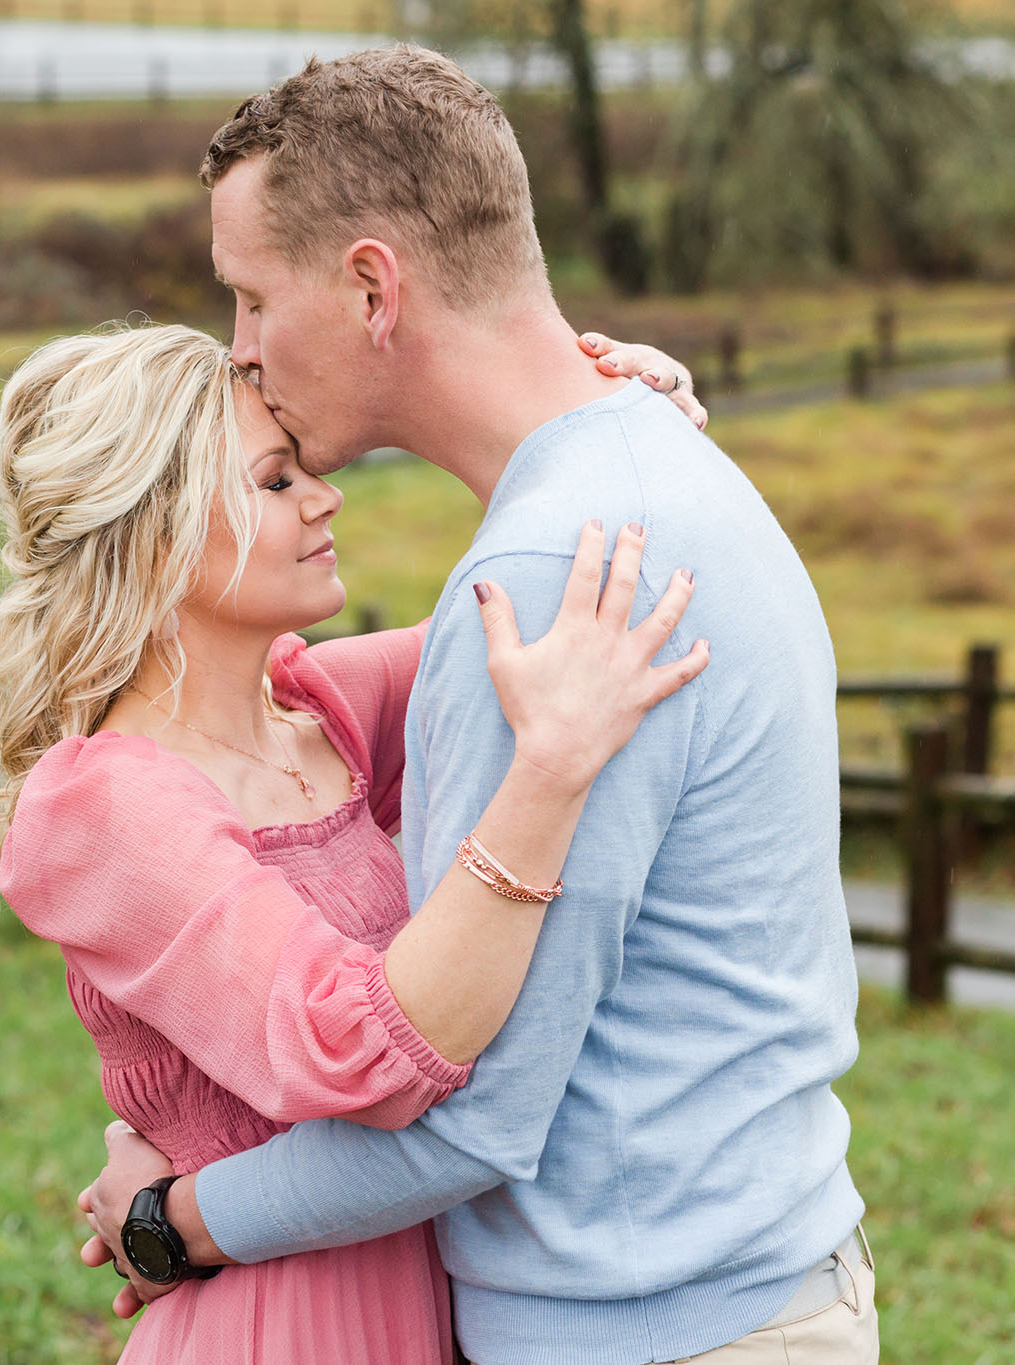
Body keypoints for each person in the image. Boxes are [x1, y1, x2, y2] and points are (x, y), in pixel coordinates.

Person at [67, 47, 874, 1365]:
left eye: (255, 299)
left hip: (646, 1334)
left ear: (372, 286)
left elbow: (467, 1111)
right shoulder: (646, 464)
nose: (245, 352)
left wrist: (172, 1216)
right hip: (750, 1287)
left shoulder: (550, 577)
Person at [0, 320, 706, 1362]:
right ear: (156, 534)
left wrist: (620, 426)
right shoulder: (100, 809)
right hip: (281, 1329)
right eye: (275, 482)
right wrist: (547, 774)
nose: (325, 497)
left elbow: (533, 608)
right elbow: (353, 1049)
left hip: (430, 1298)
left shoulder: (318, 709)